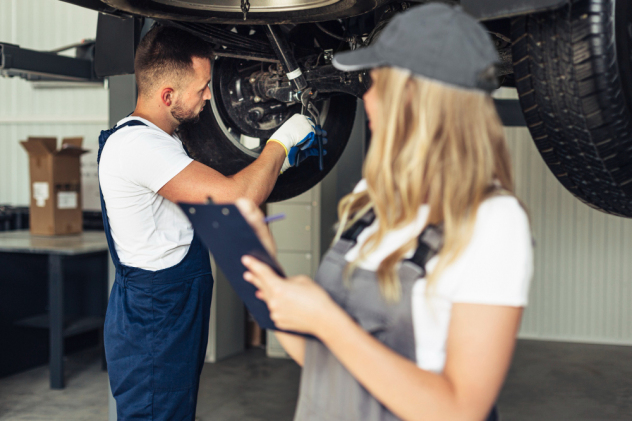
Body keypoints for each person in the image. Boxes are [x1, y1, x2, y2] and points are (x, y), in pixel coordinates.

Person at [237, 3, 534, 421]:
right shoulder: (372, 198)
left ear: (417, 95)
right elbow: (323, 361)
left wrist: (329, 322)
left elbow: (461, 409)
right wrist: (267, 270)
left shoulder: (493, 221)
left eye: (377, 81)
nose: (367, 96)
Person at [97, 25, 315, 420]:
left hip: (169, 307)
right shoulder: (138, 146)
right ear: (168, 96)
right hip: (154, 318)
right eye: (201, 88)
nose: (209, 96)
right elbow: (237, 198)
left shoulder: (163, 141)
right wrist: (281, 142)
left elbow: (220, 188)